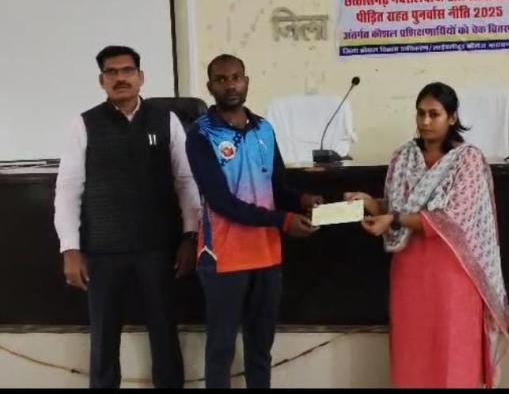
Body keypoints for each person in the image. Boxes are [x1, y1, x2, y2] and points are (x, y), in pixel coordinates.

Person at [344, 82, 509, 388]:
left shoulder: (467, 160)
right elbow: (396, 206)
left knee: (453, 354)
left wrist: (394, 218)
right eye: (420, 113)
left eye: (434, 114)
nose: (425, 121)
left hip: (454, 273)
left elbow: (453, 219)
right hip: (410, 271)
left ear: (452, 117)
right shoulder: (403, 157)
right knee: (412, 354)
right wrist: (370, 203)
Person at [54, 45, 201, 388]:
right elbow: (68, 189)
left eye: (127, 71)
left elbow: (186, 181)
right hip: (103, 251)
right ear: (102, 81)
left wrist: (190, 236)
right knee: (104, 338)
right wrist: (70, 248)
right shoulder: (84, 124)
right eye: (112, 72)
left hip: (158, 248)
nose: (120, 78)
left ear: (141, 76)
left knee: (164, 333)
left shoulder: (166, 120)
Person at [185, 54, 322, 388]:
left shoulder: (264, 129)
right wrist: (283, 221)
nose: (230, 85)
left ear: (246, 81)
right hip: (223, 259)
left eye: (236, 77)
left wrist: (301, 200)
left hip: (266, 256)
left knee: (261, 348)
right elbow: (221, 202)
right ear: (210, 86)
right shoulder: (200, 134)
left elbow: (277, 186)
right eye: (221, 79)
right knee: (221, 349)